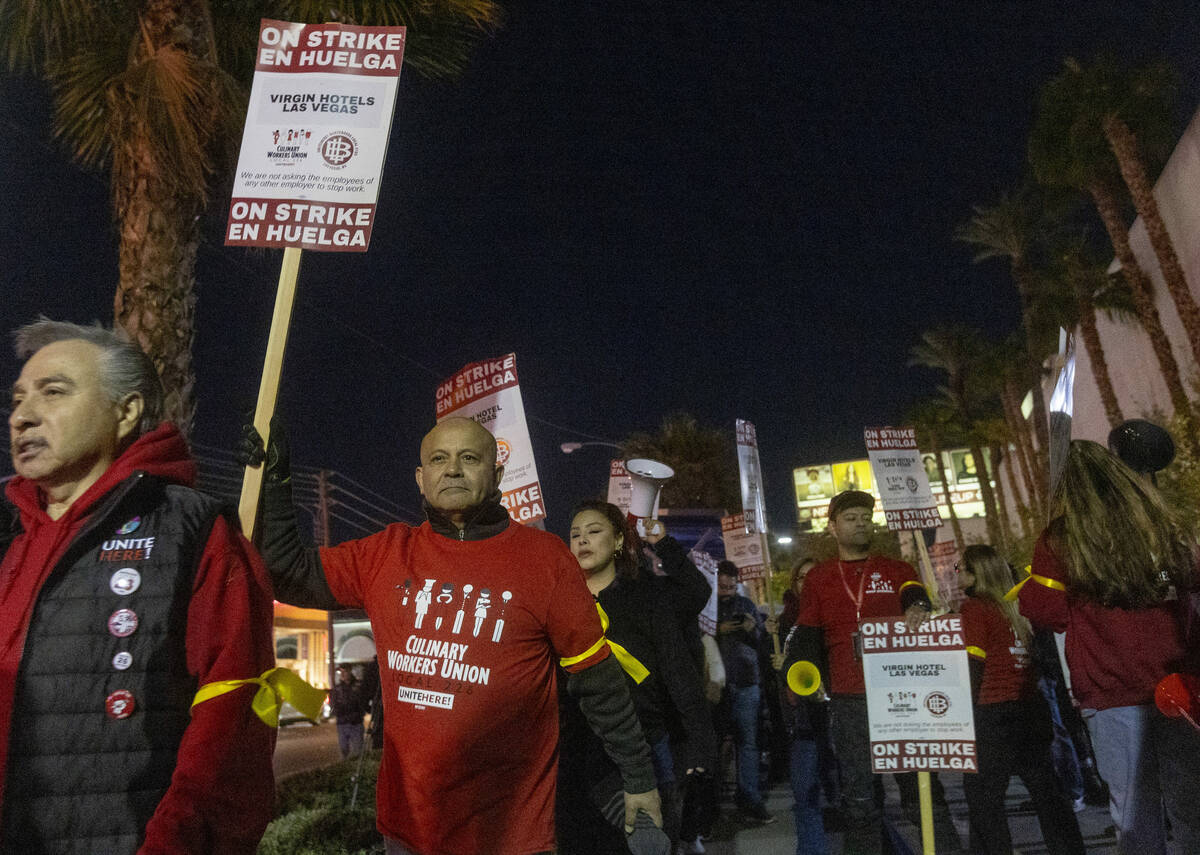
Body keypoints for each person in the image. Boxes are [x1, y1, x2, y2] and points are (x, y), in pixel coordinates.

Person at [242, 416, 661, 855]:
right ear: (422, 479)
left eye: (469, 458)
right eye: (439, 459)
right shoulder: (385, 553)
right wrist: (273, 479)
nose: (453, 469)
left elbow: (599, 683)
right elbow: (287, 571)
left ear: (496, 474)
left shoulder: (546, 560)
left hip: (510, 834)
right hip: (409, 833)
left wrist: (639, 781)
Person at [0, 320, 276, 852]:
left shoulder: (193, 534)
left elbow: (235, 720)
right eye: (16, 400)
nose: (22, 417)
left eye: (53, 392)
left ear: (125, 412)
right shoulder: (5, 531)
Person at [1019, 439, 1200, 855]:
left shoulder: (1063, 539)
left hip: (1112, 692)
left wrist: (1040, 572)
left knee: (1135, 820)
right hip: (1179, 685)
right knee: (1192, 810)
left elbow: (1046, 612)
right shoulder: (1162, 522)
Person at [790, 490, 962, 855]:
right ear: (832, 527)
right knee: (859, 797)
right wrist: (802, 681)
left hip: (901, 697)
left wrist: (917, 606)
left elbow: (915, 593)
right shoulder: (819, 577)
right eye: (850, 517)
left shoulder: (897, 568)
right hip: (849, 700)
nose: (861, 522)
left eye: (865, 516)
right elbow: (807, 635)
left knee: (922, 790)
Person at [558, 501, 716, 852]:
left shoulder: (646, 594)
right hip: (582, 745)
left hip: (647, 738)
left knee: (655, 838)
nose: (582, 540)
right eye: (575, 534)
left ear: (617, 541)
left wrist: (662, 543)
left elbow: (695, 596)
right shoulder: (558, 603)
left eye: (594, 531)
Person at [957, 545, 1085, 855]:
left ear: (976, 575)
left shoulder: (974, 608)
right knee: (1048, 793)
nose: (956, 574)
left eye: (960, 568)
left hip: (992, 712)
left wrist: (962, 714)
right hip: (1029, 708)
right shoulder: (1016, 606)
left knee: (984, 802)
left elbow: (974, 664)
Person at [777, 557, 833, 855]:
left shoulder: (838, 614)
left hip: (836, 718)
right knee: (806, 796)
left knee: (843, 797)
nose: (808, 583)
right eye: (802, 578)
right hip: (802, 722)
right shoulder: (784, 622)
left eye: (814, 576)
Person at [715, 560, 775, 823]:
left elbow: (762, 642)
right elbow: (694, 637)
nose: (726, 586)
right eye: (721, 581)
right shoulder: (707, 606)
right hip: (717, 684)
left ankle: (749, 796)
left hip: (748, 682)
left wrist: (755, 629)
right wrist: (718, 630)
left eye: (730, 581)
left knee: (748, 744)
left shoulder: (747, 605)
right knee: (717, 744)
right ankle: (712, 803)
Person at [331, 664, 368, 758]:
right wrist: (337, 711)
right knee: (344, 749)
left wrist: (359, 712)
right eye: (341, 672)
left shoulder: (358, 686)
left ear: (350, 672)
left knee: (358, 750)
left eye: (345, 672)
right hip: (342, 723)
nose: (342, 674)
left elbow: (362, 701)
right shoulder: (337, 689)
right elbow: (334, 704)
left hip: (356, 723)